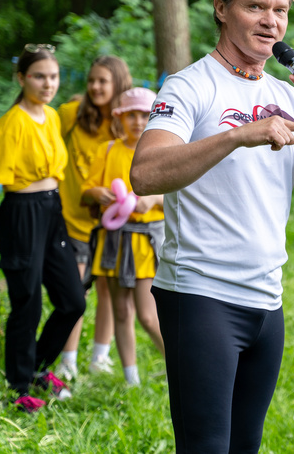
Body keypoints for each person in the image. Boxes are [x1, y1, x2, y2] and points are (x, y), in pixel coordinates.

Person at [130, 0, 294, 453]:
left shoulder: (290, 95)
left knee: (245, 446)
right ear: (222, 9)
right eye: (255, 7)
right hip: (200, 296)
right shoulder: (189, 86)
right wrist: (237, 136)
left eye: (281, 10)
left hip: (267, 301)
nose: (271, 21)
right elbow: (144, 174)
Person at [0, 44, 87, 413]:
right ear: (22, 78)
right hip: (21, 212)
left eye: (53, 77)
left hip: (51, 209)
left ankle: (39, 366)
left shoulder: (52, 116)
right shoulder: (12, 124)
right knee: (27, 303)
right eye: (39, 76)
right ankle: (20, 385)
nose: (47, 84)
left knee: (73, 300)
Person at [82, 87, 165, 386]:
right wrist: (97, 193)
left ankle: (180, 367)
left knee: (147, 314)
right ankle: (132, 379)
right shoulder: (108, 150)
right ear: (120, 118)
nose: (138, 121)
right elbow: (87, 190)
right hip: (114, 240)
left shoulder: (162, 152)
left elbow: (181, 199)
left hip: (145, 242)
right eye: (132, 115)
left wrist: (153, 201)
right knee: (120, 309)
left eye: (145, 115)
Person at [56, 56, 132, 379]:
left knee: (107, 291)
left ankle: (99, 357)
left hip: (114, 222)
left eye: (103, 81)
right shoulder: (70, 114)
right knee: (75, 292)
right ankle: (67, 360)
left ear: (118, 84)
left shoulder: (127, 122)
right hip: (73, 218)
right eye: (91, 81)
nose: (95, 87)